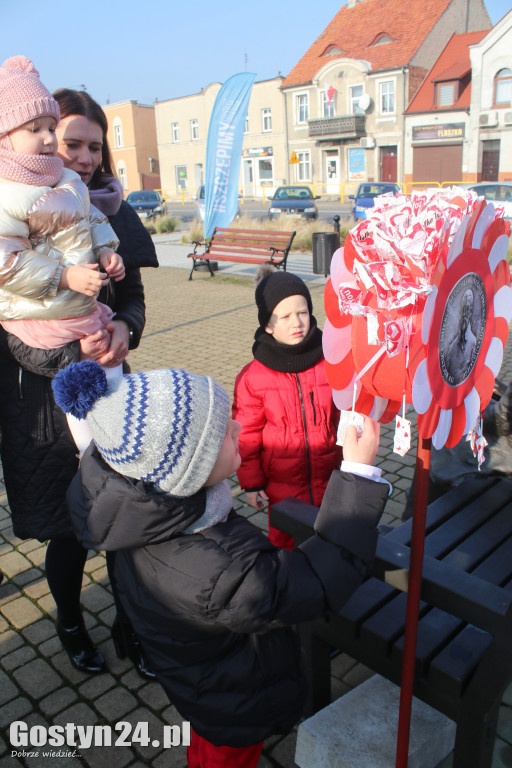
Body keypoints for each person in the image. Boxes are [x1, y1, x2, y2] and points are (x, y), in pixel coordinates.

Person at [52, 359, 388, 768]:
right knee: (224, 758)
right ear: (186, 474)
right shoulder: (216, 570)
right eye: (219, 437)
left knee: (207, 743)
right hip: (236, 699)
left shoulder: (139, 511)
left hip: (201, 683)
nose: (238, 428)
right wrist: (357, 476)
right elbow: (314, 583)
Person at [0, 68, 158, 676]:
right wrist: (68, 356)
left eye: (96, 145)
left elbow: (135, 294)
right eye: (73, 143)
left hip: (108, 368)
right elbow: (10, 318)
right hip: (41, 403)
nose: (86, 158)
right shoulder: (19, 205)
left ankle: (134, 623)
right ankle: (68, 620)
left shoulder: (106, 210)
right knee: (69, 530)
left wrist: (125, 329)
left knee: (129, 511)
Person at [0, 56, 126, 454]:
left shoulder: (66, 179)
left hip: (85, 315)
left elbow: (90, 219)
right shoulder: (6, 192)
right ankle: (98, 454)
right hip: (42, 334)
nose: (49, 139)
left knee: (117, 397)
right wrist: (66, 276)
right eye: (35, 129)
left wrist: (107, 251)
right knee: (86, 422)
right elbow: (6, 262)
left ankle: (119, 448)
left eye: (51, 128)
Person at [232, 266, 342, 549]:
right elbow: (247, 435)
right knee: (286, 545)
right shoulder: (253, 377)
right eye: (285, 316)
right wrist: (252, 483)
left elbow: (345, 414)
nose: (297, 322)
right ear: (268, 324)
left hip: (331, 477)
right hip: (282, 486)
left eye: (302, 312)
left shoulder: (331, 361)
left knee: (333, 542)